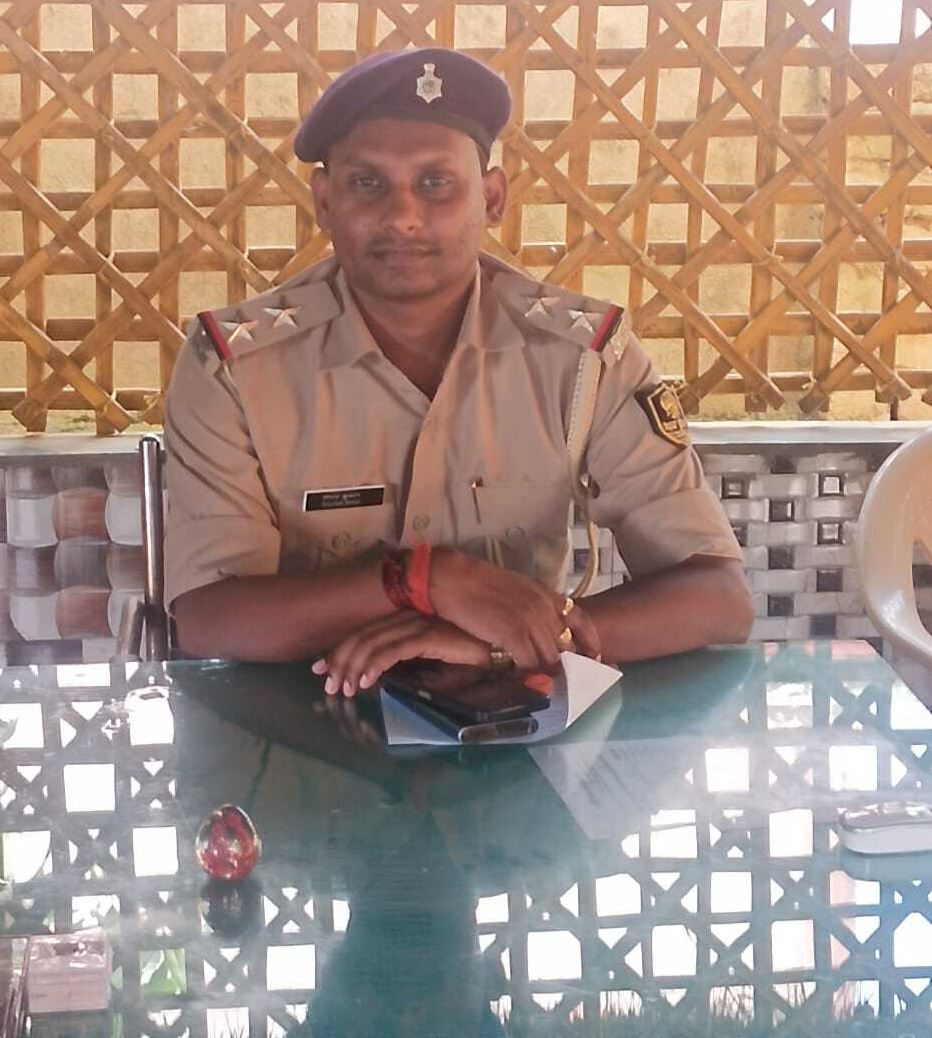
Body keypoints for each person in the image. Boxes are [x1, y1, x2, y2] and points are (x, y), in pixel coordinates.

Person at [163, 47, 753, 689]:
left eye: (435, 183)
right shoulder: (235, 368)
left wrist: (503, 645)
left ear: (492, 198)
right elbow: (208, 619)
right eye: (367, 184)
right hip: (295, 718)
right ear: (325, 201)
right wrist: (422, 580)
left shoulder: (582, 359)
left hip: (515, 720)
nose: (402, 217)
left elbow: (718, 597)